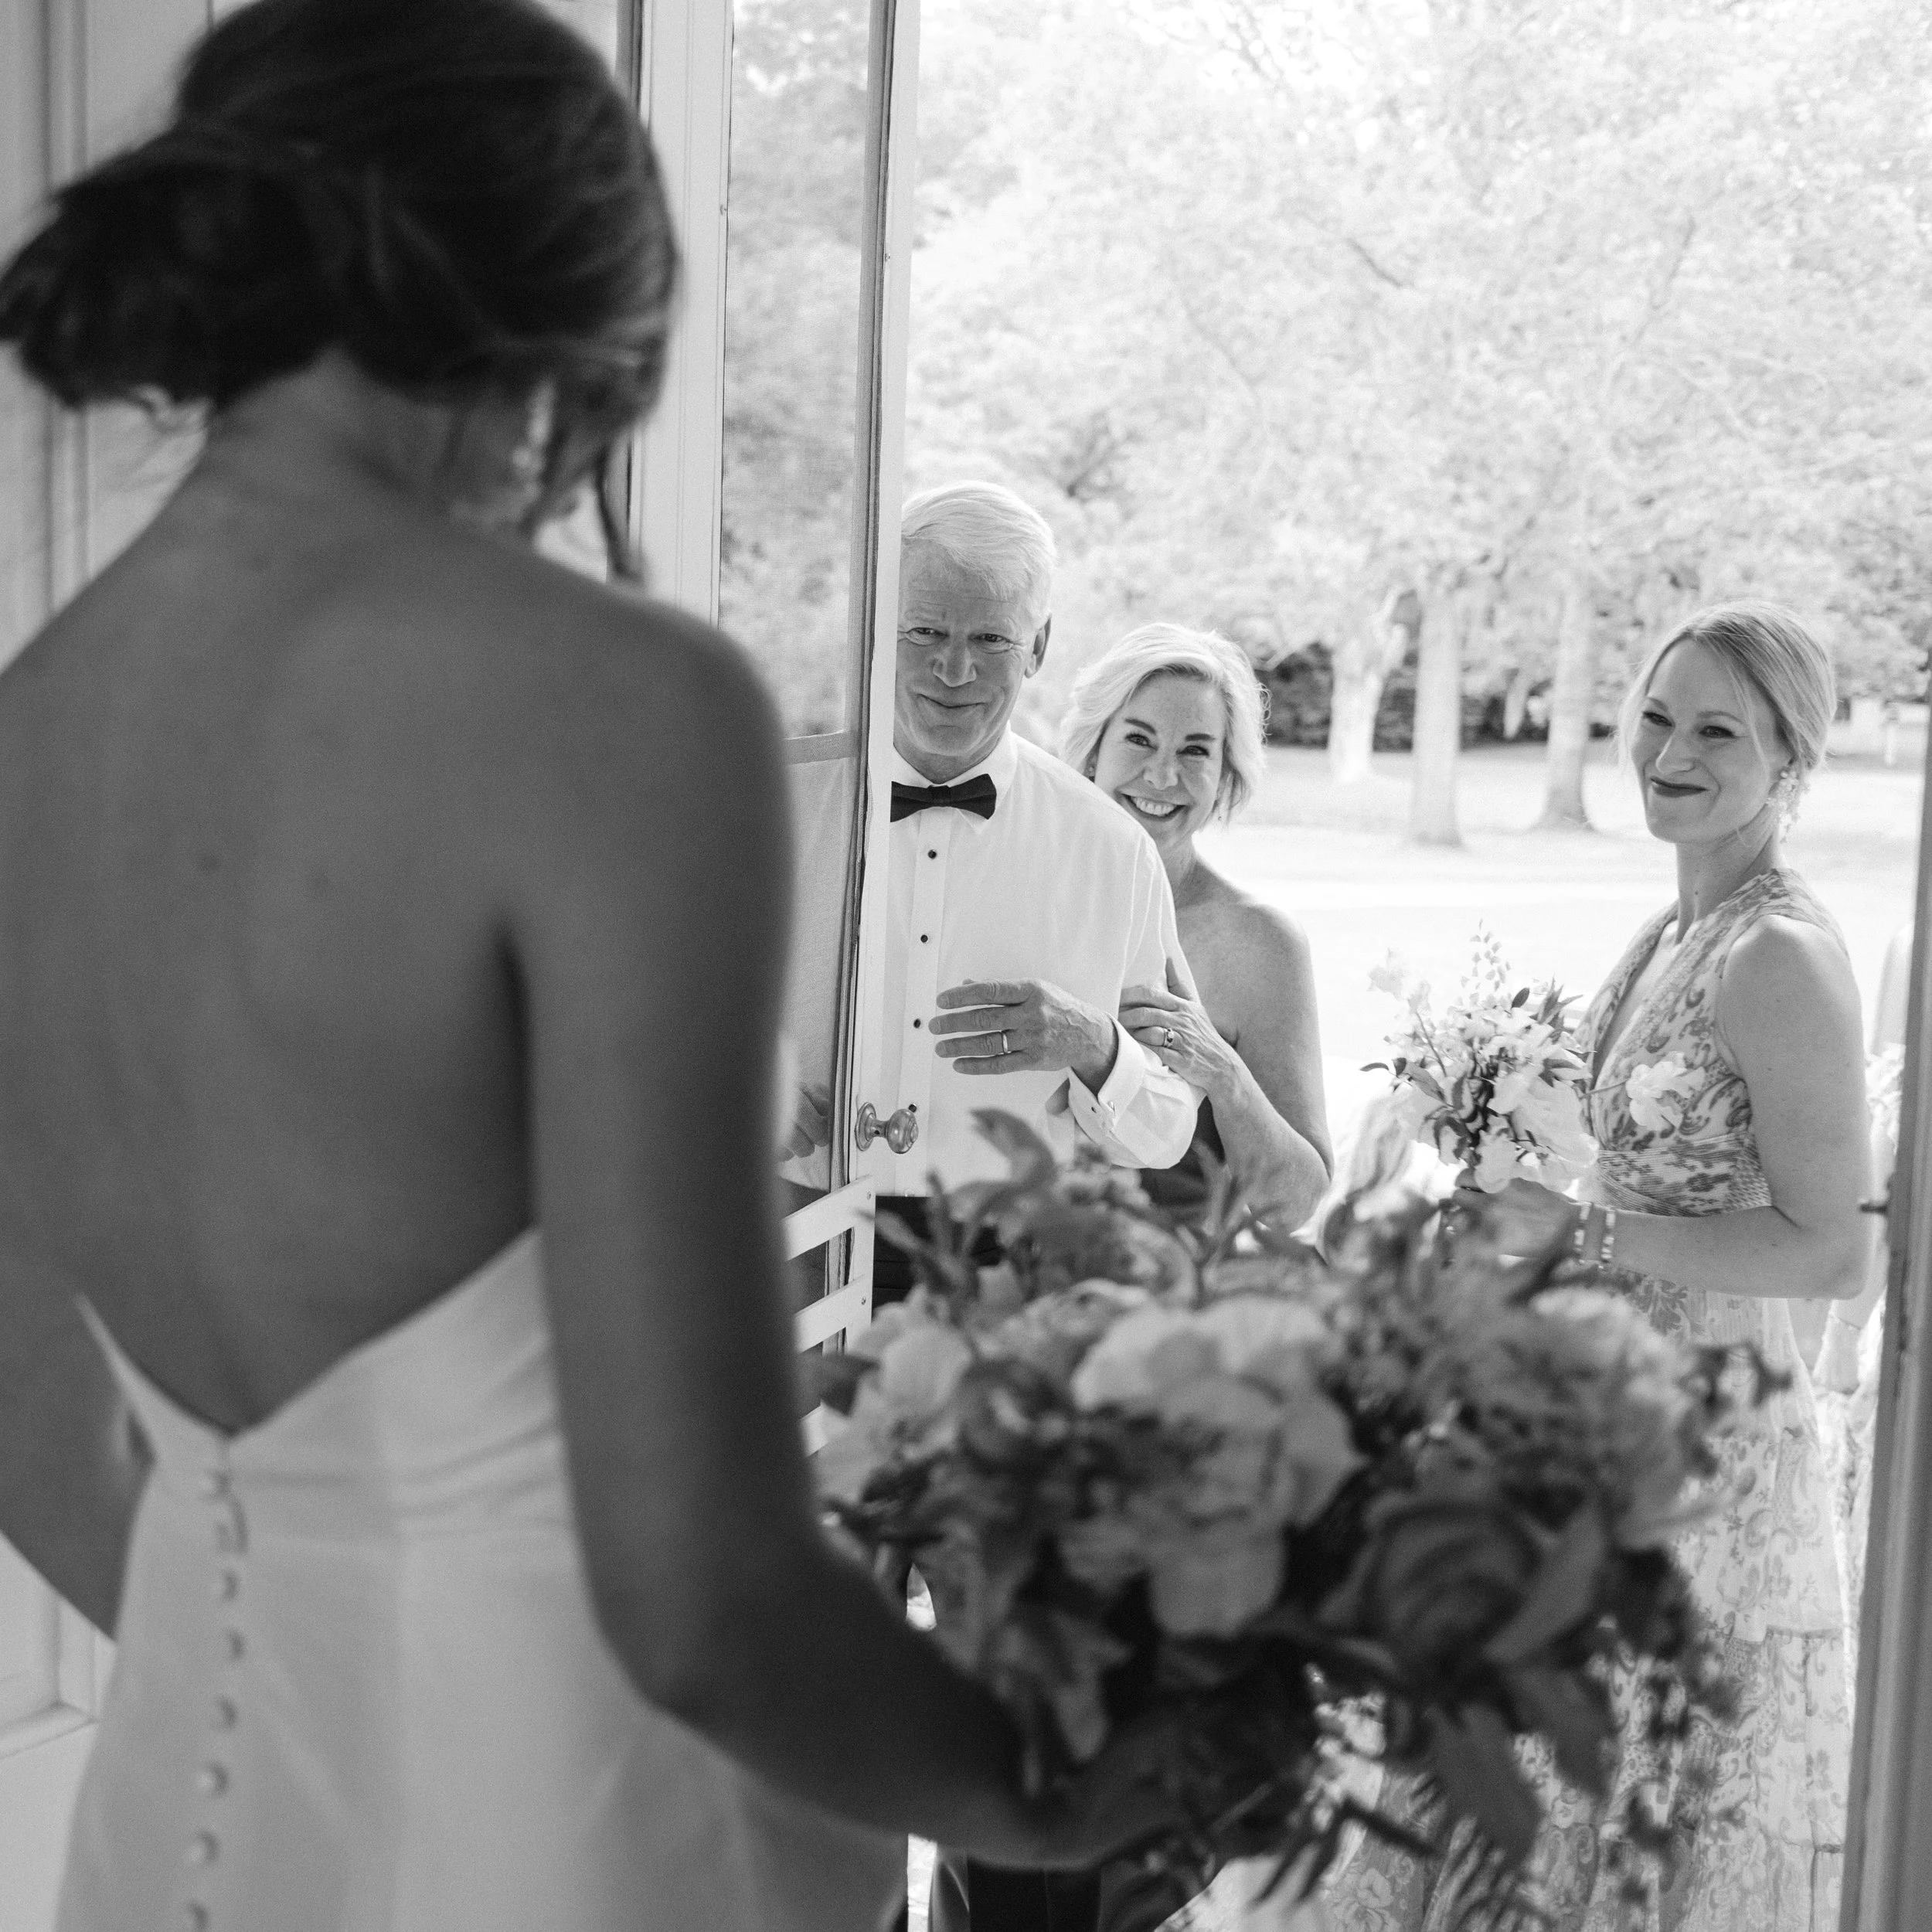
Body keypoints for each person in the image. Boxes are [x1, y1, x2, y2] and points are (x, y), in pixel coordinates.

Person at [0, 6, 1168, 1929]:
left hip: (180, 1831)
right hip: (574, 1833)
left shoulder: (28, 733)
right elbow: (705, 1591)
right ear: (576, 326)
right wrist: (1051, 1804)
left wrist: (307, 1687)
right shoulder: (616, 707)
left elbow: (38, 1442)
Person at [1328, 603, 1868, 1932]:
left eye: (1718, 732)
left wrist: (1581, 1237)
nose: (1670, 755)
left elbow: (1833, 1248)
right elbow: (1630, 1179)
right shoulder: (1678, 925)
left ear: (1790, 761)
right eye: (1657, 717)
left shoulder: (1779, 956)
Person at [1060, 624, 1332, 1230]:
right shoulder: (1028, 894)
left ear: (1225, 775)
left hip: (1173, 1279)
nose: (1162, 776)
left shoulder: (1260, 942)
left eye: (1195, 750)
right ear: (1092, 750)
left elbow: (1295, 1202)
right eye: (1139, 739)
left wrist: (1222, 1071)